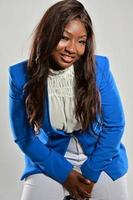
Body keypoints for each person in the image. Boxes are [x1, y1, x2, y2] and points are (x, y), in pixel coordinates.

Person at [8, 0, 129, 199]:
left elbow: (115, 125)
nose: (72, 49)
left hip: (101, 155)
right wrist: (64, 175)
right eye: (64, 38)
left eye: (81, 41)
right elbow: (24, 137)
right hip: (50, 157)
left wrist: (90, 173)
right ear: (47, 35)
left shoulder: (99, 68)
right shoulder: (20, 75)